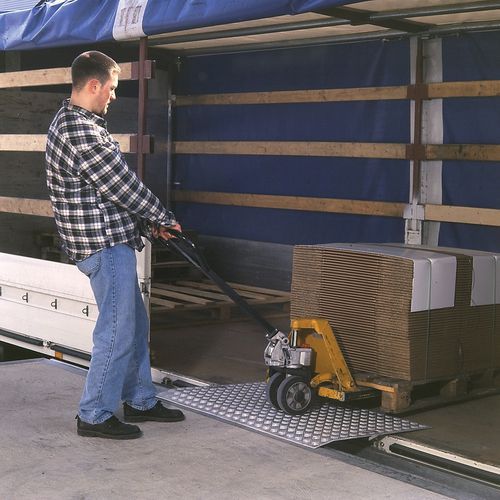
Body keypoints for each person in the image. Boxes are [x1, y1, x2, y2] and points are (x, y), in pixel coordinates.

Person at [45, 50, 184, 440]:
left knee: (134, 325)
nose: (114, 95)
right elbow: (120, 185)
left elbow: (105, 195)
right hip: (104, 246)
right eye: (112, 88)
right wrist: (161, 216)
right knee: (117, 330)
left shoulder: (80, 124)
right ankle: (94, 413)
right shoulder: (79, 129)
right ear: (94, 85)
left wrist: (148, 223)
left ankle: (140, 399)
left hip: (111, 239)